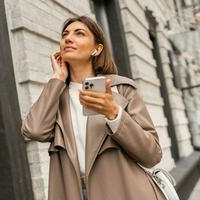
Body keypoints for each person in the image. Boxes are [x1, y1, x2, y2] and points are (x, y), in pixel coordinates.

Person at [21, 16, 164, 200]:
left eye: (79, 33)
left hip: (126, 192)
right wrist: (56, 79)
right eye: (65, 34)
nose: (68, 38)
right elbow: (33, 131)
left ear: (97, 49)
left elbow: (152, 155)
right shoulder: (57, 96)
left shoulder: (121, 89)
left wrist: (114, 114)